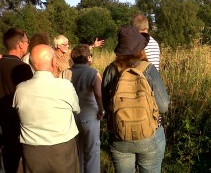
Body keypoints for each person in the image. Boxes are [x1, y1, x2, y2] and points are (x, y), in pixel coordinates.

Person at [102, 26, 170, 172]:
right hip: (149, 136)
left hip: (120, 136)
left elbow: (105, 105)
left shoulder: (110, 70)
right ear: (141, 48)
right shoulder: (148, 69)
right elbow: (164, 106)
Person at [12, 44, 80, 173]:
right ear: (54, 62)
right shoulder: (65, 86)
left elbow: (17, 111)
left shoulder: (20, 89)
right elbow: (76, 109)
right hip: (62, 149)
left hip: (32, 151)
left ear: (31, 64)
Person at [59, 44, 105, 173]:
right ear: (88, 58)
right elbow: (99, 94)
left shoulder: (64, 73)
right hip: (90, 116)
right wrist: (101, 109)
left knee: (77, 151)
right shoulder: (93, 73)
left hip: (71, 118)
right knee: (92, 151)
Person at [0, 28, 33, 173]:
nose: (28, 44)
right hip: (15, 122)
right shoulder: (22, 68)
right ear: (20, 44)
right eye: (27, 42)